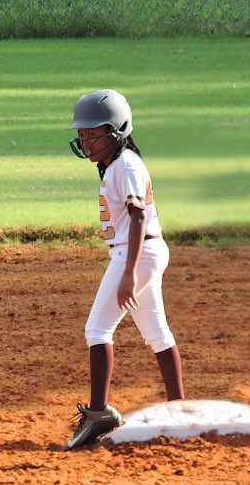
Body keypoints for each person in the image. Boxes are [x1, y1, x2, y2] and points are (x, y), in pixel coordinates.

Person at [64, 89, 185, 450]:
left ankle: (99, 412)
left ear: (116, 131)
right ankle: (178, 408)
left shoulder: (126, 165)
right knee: (157, 332)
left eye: (92, 134)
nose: (85, 142)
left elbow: (138, 216)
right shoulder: (118, 163)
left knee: (97, 329)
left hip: (137, 252)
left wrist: (129, 271)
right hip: (144, 251)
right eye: (82, 135)